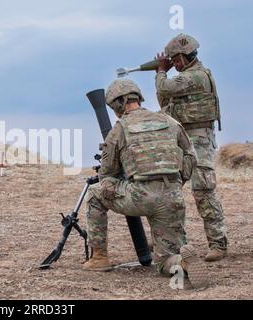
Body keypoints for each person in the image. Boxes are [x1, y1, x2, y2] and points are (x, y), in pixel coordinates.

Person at [82, 78, 209, 288]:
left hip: (140, 196)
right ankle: (182, 261)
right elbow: (190, 157)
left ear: (116, 105)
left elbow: (107, 173)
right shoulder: (169, 121)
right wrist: (177, 184)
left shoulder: (120, 129)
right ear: (138, 98)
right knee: (164, 261)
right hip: (172, 197)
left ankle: (99, 258)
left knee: (96, 193)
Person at [155, 33, 228, 261]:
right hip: (183, 137)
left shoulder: (195, 76)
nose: (174, 65)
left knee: (203, 191)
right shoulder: (187, 76)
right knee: (168, 189)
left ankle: (218, 243)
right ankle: (171, 242)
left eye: (176, 60)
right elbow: (164, 99)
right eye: (172, 60)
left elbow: (165, 88)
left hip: (199, 138)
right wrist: (163, 73)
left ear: (186, 57)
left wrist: (160, 71)